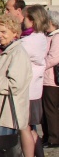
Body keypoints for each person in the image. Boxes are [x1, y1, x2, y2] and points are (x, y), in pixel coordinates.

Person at [0, 14, 32, 157]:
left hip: (7, 111)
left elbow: (15, 84)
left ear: (15, 33)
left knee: (4, 150)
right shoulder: (4, 51)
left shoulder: (17, 53)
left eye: (3, 32)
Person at [19, 5, 48, 157]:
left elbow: (15, 54)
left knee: (25, 128)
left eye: (25, 18)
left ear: (32, 20)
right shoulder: (41, 37)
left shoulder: (29, 41)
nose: (22, 21)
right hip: (34, 89)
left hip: (27, 90)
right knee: (31, 127)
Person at [42, 10, 59, 148]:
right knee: (46, 110)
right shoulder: (47, 36)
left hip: (51, 79)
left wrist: (39, 66)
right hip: (45, 78)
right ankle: (48, 136)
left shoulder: (57, 37)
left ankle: (54, 138)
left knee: (51, 109)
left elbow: (53, 58)